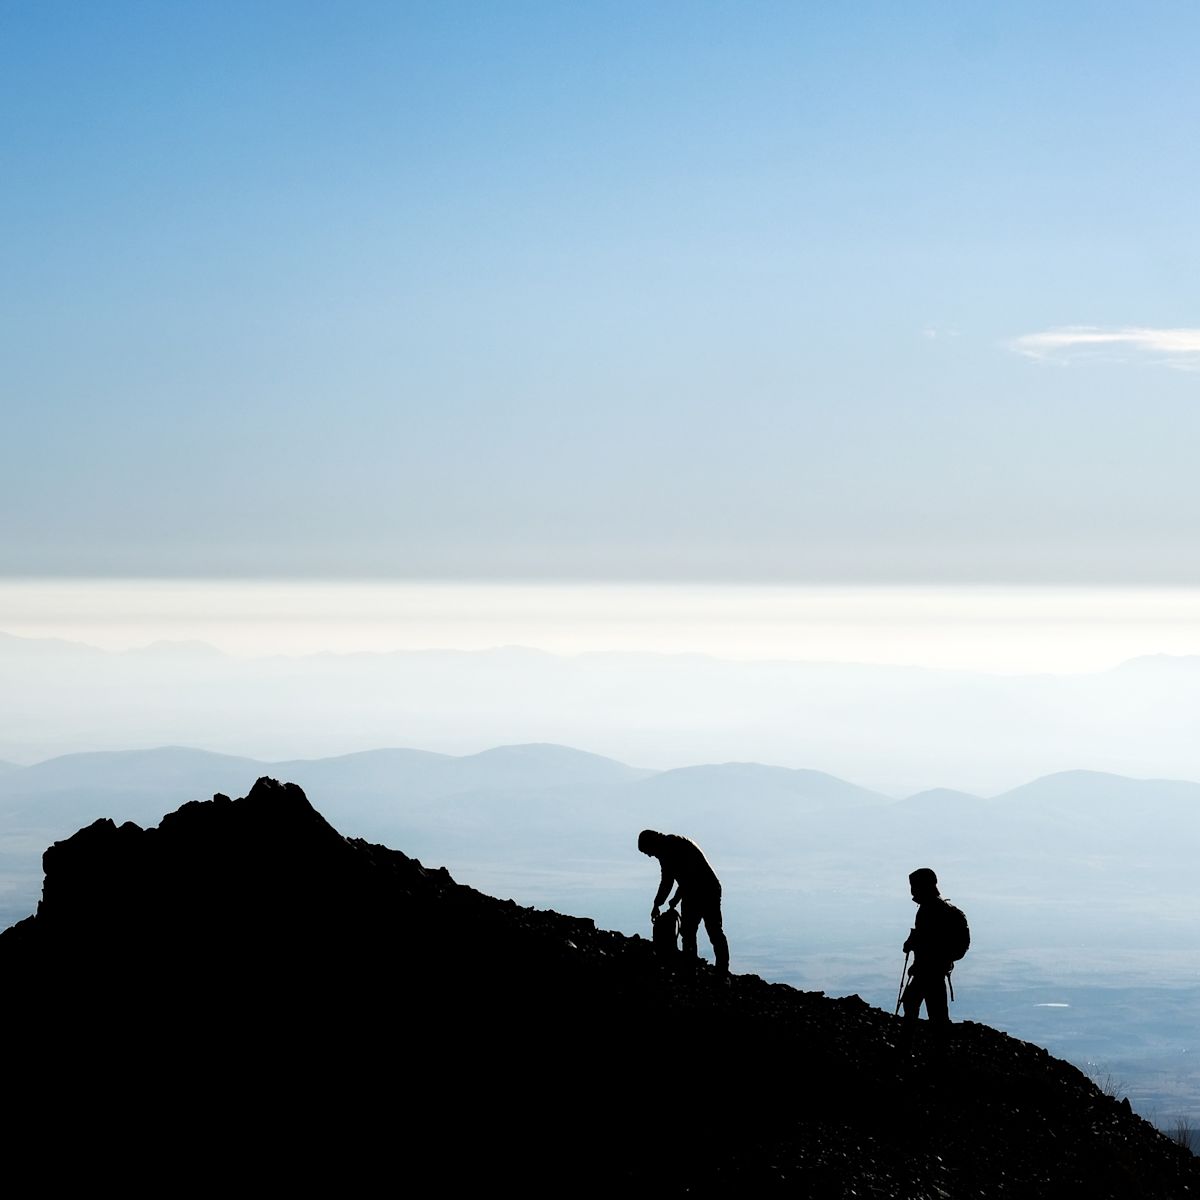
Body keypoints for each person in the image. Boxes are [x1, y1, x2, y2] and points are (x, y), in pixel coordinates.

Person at [637, 829, 729, 976]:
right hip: (695, 890)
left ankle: (719, 971)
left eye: (647, 851)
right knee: (690, 931)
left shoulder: (671, 847)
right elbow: (674, 880)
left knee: (712, 930)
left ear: (652, 843)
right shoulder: (668, 848)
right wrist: (661, 902)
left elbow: (682, 878)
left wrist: (664, 902)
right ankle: (692, 968)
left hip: (706, 889)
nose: (649, 855)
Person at [900, 867, 961, 1039]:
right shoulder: (938, 908)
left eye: (914, 886)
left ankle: (907, 1048)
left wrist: (912, 945)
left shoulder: (929, 910)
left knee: (913, 1004)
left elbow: (927, 942)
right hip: (936, 969)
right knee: (936, 1012)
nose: (912, 891)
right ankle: (940, 1052)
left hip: (928, 970)